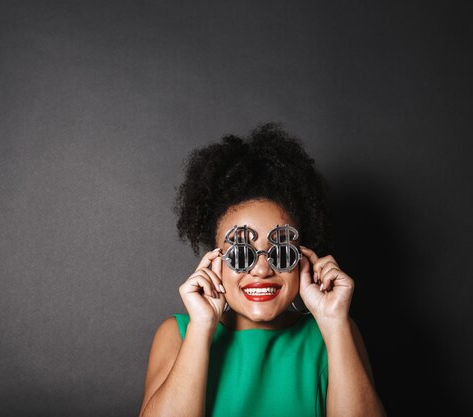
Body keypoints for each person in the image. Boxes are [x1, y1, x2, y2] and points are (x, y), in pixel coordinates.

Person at [139, 123, 386, 417]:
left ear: (303, 257)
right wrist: (201, 329)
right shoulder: (178, 334)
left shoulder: (334, 331)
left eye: (281, 250)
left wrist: (333, 323)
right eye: (240, 252)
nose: (261, 269)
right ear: (215, 261)